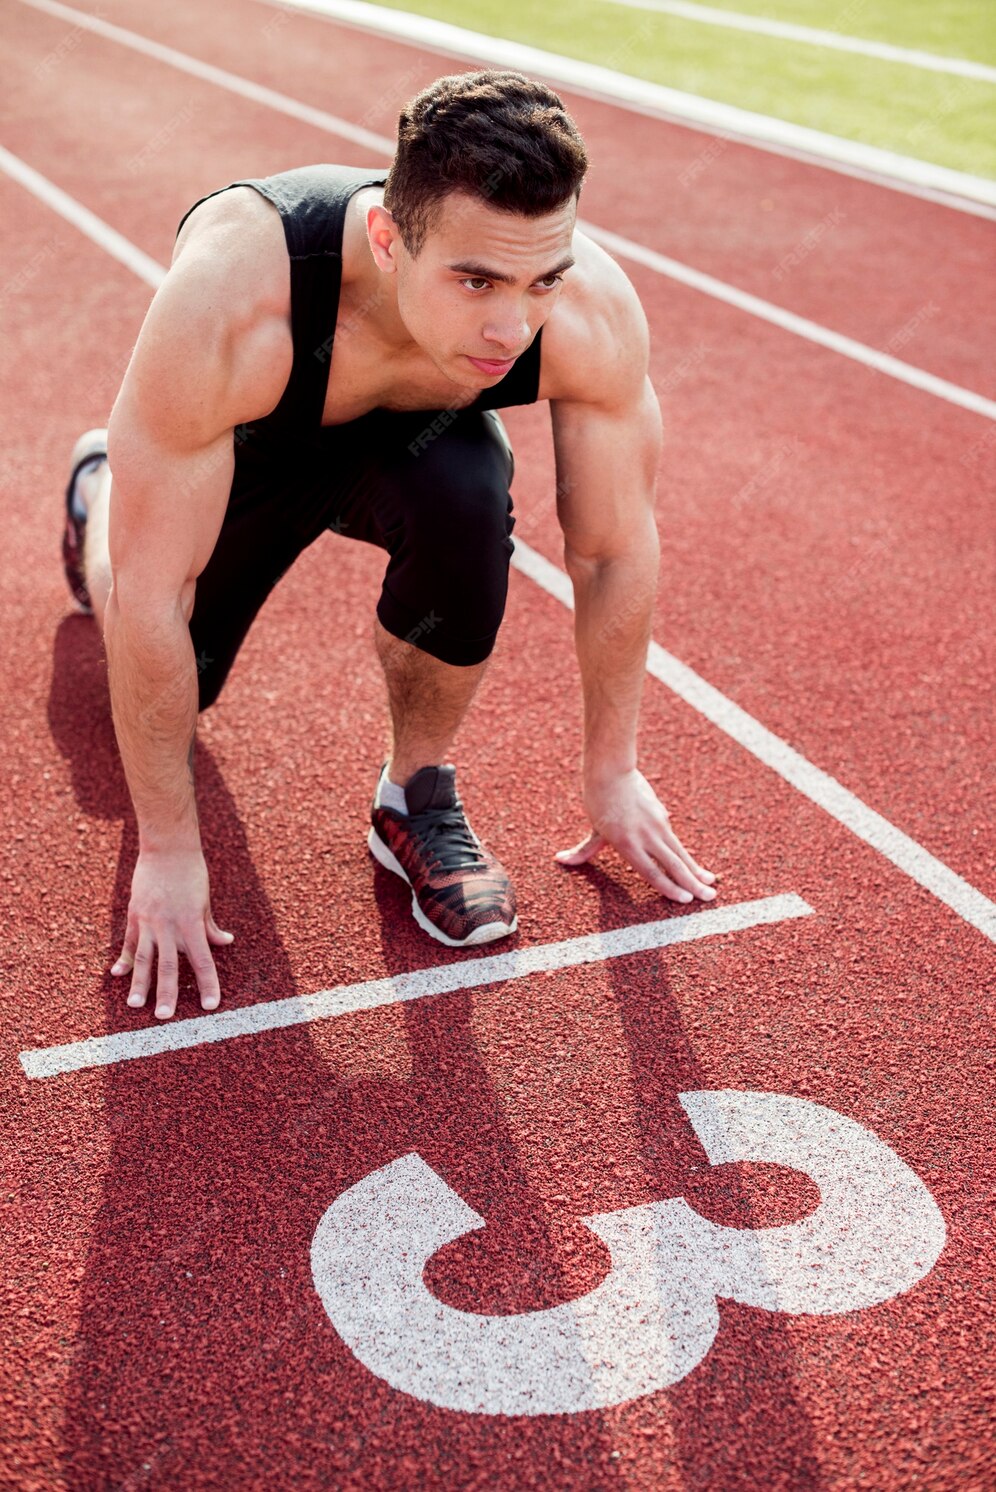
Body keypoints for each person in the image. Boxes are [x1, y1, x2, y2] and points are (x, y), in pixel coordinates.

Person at [61, 69, 717, 1022]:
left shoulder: (582, 316)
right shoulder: (234, 305)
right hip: (257, 438)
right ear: (386, 236)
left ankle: (415, 793)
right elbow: (153, 599)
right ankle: (99, 487)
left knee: (468, 500)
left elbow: (612, 551)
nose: (512, 325)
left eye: (544, 279)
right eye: (477, 280)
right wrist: (168, 849)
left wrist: (611, 769)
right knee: (157, 637)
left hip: (415, 444)